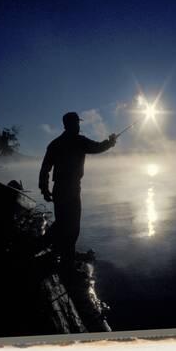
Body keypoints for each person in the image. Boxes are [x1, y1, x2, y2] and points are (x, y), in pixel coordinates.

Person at [39, 112, 117, 271]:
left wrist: (45, 189)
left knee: (61, 223)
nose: (79, 126)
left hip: (59, 189)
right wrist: (111, 142)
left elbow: (45, 169)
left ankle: (48, 247)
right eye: (77, 123)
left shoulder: (55, 143)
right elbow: (97, 147)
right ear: (71, 124)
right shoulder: (79, 141)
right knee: (73, 227)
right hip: (72, 189)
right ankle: (66, 263)